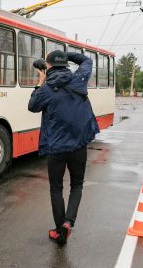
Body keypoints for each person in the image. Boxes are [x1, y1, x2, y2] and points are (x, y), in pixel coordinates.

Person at [28, 49, 100, 245]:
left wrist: (40, 81)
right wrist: (65, 55)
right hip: (79, 146)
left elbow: (32, 106)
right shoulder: (79, 80)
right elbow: (86, 60)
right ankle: (68, 223)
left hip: (56, 149)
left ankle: (60, 231)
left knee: (56, 188)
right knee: (76, 186)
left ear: (48, 67)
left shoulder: (46, 89)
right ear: (65, 64)